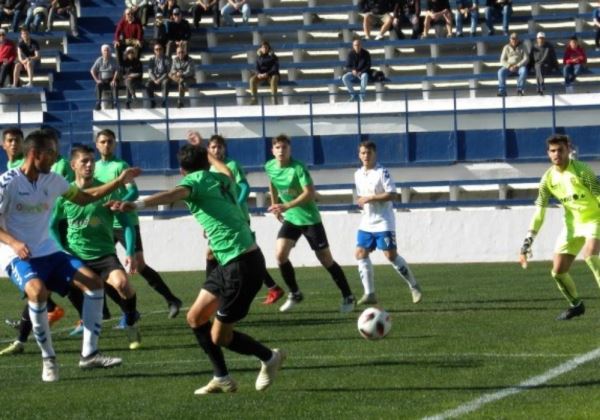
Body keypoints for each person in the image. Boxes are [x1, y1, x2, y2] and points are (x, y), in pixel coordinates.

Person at [113, 143, 286, 395]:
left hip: (241, 266)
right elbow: (226, 171)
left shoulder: (194, 181)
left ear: (183, 170)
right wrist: (208, 153)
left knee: (220, 337)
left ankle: (270, 357)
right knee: (195, 318)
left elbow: (173, 194)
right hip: (231, 262)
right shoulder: (221, 179)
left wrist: (137, 204)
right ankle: (222, 378)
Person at [0, 129, 139, 381]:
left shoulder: (52, 180)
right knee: (38, 292)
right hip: (16, 253)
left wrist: (119, 183)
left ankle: (89, 354)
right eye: (51, 153)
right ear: (35, 154)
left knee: (95, 284)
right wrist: (14, 241)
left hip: (49, 250)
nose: (55, 159)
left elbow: (85, 198)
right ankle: (48, 359)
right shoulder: (7, 182)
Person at [50, 144, 141, 349]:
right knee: (55, 289)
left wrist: (130, 252)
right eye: (84, 161)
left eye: (92, 160)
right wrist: (61, 249)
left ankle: (130, 321)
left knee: (123, 285)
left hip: (104, 254)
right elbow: (52, 225)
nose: (90, 165)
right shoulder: (65, 194)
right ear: (73, 165)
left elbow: (127, 225)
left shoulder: (107, 192)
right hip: (76, 257)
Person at [94, 129, 183, 319]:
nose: (106, 145)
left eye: (110, 141)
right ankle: (114, 311)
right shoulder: (92, 168)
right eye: (103, 141)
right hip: (105, 224)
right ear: (97, 144)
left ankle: (171, 299)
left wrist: (121, 203)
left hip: (126, 221)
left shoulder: (121, 166)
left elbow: (133, 192)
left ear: (115, 144)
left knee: (140, 265)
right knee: (100, 269)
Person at [190, 132, 285, 305]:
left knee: (242, 253)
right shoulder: (209, 168)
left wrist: (234, 205)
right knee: (218, 254)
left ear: (224, 148)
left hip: (238, 217)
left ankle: (213, 290)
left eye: (219, 146)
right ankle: (272, 287)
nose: (216, 149)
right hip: (221, 220)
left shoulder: (232, 165)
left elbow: (244, 187)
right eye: (213, 147)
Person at [265, 134, 356, 313]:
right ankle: (295, 293)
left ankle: (348, 295)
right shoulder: (269, 166)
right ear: (272, 150)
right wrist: (275, 205)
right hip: (291, 218)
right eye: (278, 147)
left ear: (290, 149)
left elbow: (310, 193)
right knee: (280, 255)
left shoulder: (298, 168)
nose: (281, 150)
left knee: (326, 259)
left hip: (309, 219)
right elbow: (272, 183)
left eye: (284, 147)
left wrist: (286, 205)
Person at [519, 134, 600, 321]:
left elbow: (598, 195)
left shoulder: (582, 171)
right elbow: (539, 212)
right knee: (558, 271)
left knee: (591, 256)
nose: (557, 154)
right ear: (548, 153)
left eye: (560, 150)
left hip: (594, 219)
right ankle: (576, 305)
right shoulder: (547, 179)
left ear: (568, 150)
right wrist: (527, 242)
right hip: (572, 225)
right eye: (553, 151)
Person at [353, 140, 422, 305]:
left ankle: (414, 285)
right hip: (367, 222)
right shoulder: (357, 174)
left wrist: (369, 198)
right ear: (359, 155)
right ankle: (369, 293)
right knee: (360, 253)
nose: (366, 156)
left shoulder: (382, 172)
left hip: (384, 221)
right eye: (363, 153)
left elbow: (392, 194)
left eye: (369, 153)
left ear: (374, 154)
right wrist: (363, 201)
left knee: (390, 256)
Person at [497, 32, 528, 97]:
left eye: (515, 39)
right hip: (509, 67)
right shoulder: (506, 47)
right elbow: (502, 60)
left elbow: (526, 58)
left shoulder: (523, 46)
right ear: (510, 39)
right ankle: (502, 91)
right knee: (500, 72)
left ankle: (520, 89)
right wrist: (509, 66)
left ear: (518, 39)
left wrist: (517, 65)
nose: (514, 40)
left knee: (524, 70)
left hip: (519, 66)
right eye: (512, 39)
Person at [249, 41, 279, 106]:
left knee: (274, 80)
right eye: (263, 47)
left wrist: (267, 73)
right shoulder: (259, 58)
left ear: (269, 48)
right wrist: (258, 74)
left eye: (266, 47)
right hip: (261, 75)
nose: (264, 49)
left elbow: (275, 68)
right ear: (260, 49)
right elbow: (256, 68)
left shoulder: (273, 57)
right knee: (252, 80)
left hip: (272, 74)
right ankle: (254, 99)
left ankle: (274, 100)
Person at [90, 44, 119, 110]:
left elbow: (117, 70)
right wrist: (96, 80)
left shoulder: (113, 60)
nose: (106, 52)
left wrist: (114, 79)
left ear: (110, 51)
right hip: (102, 80)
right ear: (102, 52)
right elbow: (92, 70)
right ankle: (98, 104)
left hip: (111, 79)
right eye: (105, 50)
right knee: (98, 85)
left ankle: (115, 103)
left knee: (114, 85)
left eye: (107, 50)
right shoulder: (99, 60)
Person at [341, 38, 371, 103]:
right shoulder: (350, 54)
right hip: (353, 73)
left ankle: (361, 96)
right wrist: (353, 70)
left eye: (358, 45)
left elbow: (368, 66)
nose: (357, 46)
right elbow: (347, 66)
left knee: (365, 76)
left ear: (361, 45)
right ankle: (353, 95)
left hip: (362, 72)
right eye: (355, 45)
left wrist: (361, 72)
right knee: (344, 77)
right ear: (353, 46)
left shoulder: (366, 53)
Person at [146, 42, 171, 108]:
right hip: (154, 78)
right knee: (147, 84)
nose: (158, 51)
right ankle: (152, 102)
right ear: (154, 51)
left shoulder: (167, 59)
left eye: (160, 49)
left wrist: (159, 79)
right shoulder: (151, 59)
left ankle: (164, 102)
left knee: (166, 82)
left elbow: (167, 72)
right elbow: (150, 72)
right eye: (156, 49)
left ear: (163, 50)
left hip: (163, 78)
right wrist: (155, 79)